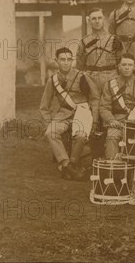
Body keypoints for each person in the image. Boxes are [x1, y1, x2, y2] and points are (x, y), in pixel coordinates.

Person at [40, 47, 100, 181]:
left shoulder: (83, 76)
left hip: (83, 112)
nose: (66, 63)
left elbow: (95, 98)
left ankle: (72, 164)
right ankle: (67, 165)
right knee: (51, 132)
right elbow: (44, 106)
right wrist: (49, 123)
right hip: (63, 115)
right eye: (62, 60)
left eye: (69, 59)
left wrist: (95, 119)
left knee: (80, 136)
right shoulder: (53, 80)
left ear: (72, 60)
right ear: (57, 61)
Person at [100, 54, 135, 159]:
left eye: (130, 65)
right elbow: (104, 107)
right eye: (124, 65)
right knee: (112, 137)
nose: (127, 67)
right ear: (119, 66)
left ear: (134, 67)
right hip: (117, 122)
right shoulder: (110, 84)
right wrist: (111, 120)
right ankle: (113, 168)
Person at [76, 8, 121, 91]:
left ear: (104, 19)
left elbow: (121, 62)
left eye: (99, 18)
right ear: (89, 21)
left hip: (111, 78)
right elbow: (80, 65)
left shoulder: (114, 39)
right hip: (91, 80)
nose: (97, 21)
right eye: (93, 18)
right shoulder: (84, 42)